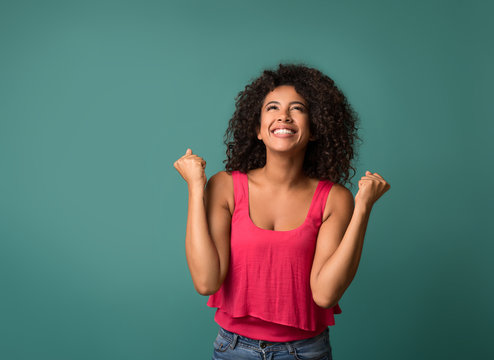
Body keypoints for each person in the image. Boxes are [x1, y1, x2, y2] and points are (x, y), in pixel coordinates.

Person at [173, 63, 390, 360]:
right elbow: (206, 282)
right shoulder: (224, 187)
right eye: (272, 107)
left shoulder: (334, 199)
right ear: (257, 129)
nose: (283, 116)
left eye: (297, 108)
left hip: (305, 352)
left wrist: (363, 208)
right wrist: (196, 189)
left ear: (315, 129)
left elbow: (325, 294)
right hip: (234, 350)